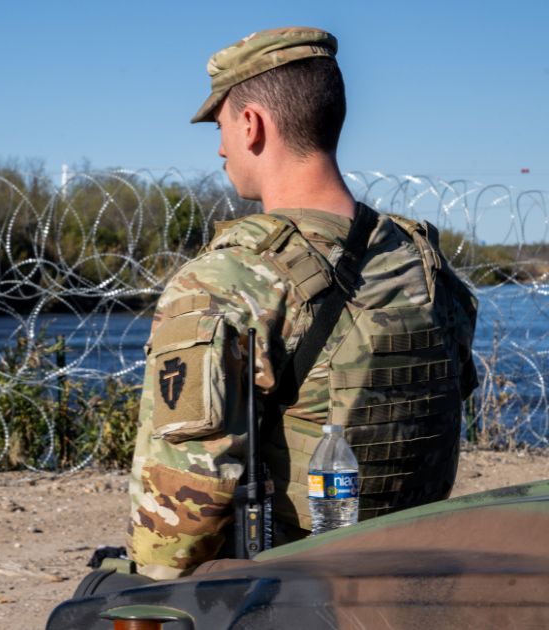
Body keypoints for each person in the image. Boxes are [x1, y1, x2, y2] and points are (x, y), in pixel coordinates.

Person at [127, 26, 478, 580]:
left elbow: (177, 524)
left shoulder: (228, 279)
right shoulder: (422, 262)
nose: (220, 148)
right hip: (417, 579)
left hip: (294, 591)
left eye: (220, 128)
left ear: (252, 124)